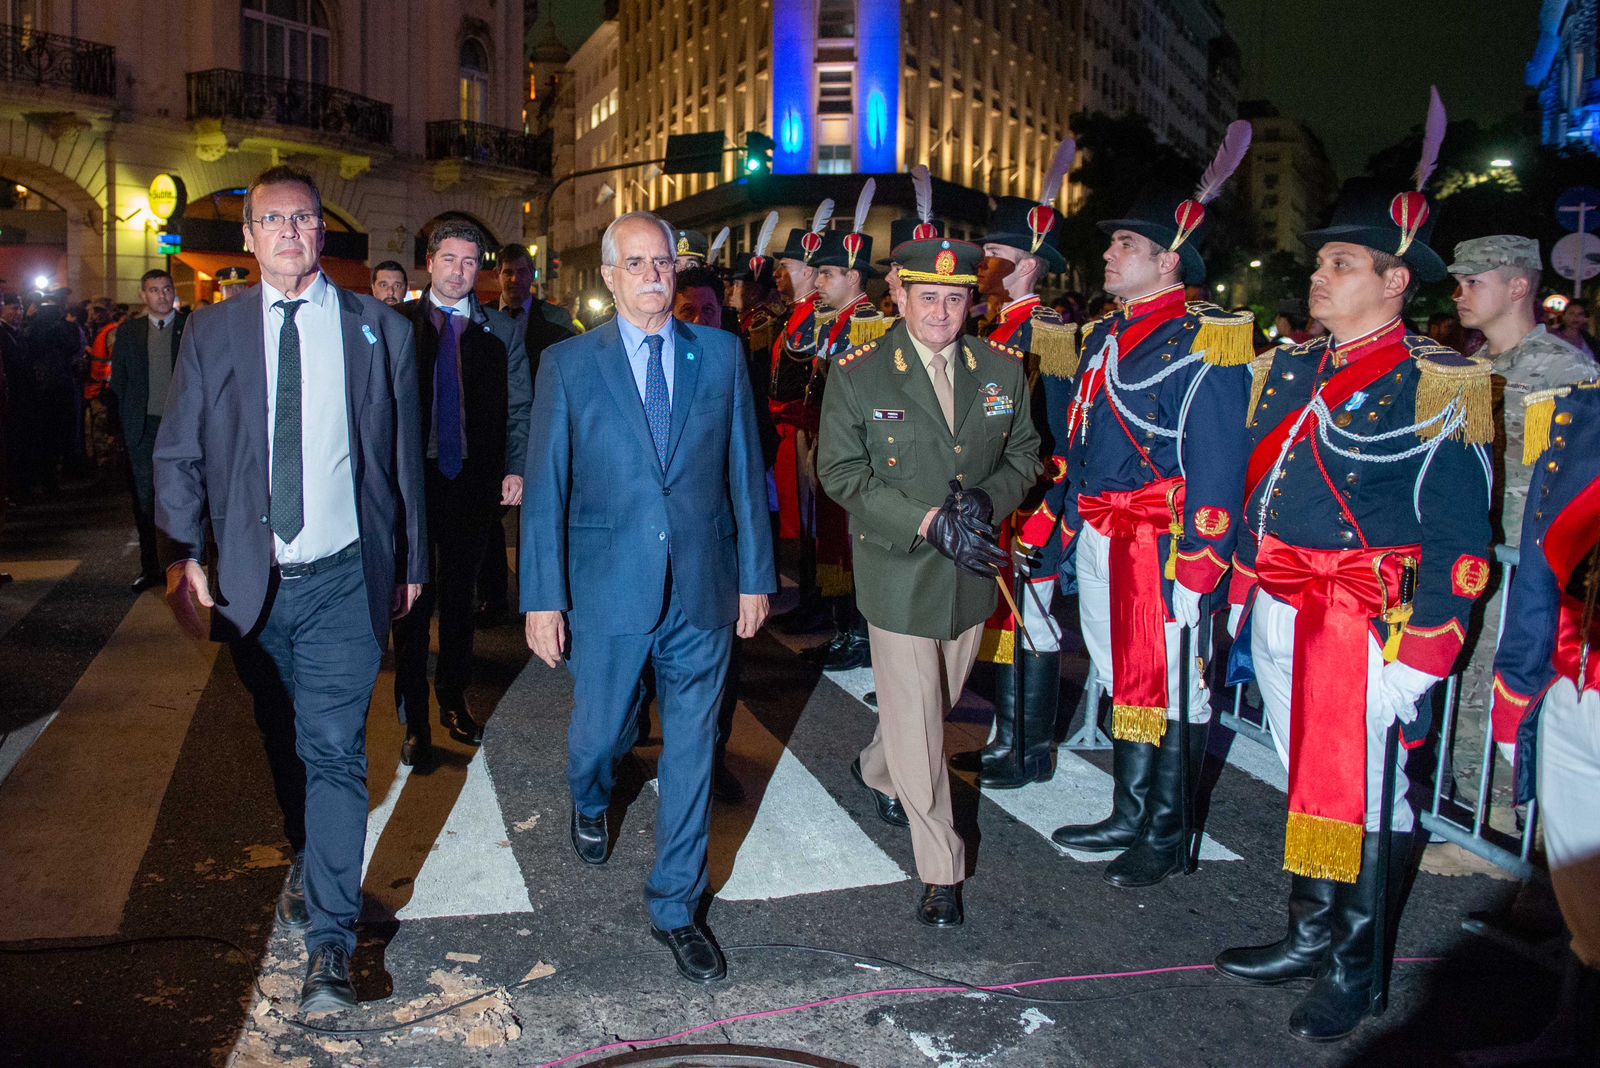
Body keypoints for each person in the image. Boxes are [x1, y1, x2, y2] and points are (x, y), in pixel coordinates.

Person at [1216, 171, 1493, 1042]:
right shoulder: (1299, 366)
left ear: (1396, 281)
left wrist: (1422, 658)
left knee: (1372, 797)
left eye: (1342, 263)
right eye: (1323, 261)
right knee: (1309, 774)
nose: (1320, 276)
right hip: (1284, 602)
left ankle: (1356, 968)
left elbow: (1461, 543)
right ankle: (1308, 931)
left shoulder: (1441, 384)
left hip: (1369, 624)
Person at [154, 164, 425, 1015]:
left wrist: (413, 563)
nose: (289, 234)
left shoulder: (380, 329)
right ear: (248, 236)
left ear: (321, 231)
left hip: (346, 574)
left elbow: (400, 461)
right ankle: (310, 851)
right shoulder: (214, 331)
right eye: (272, 221)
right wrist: (182, 552)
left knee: (338, 751)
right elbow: (179, 452)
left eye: (304, 220)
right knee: (284, 737)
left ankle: (332, 946)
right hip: (252, 580)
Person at [521, 210, 774, 985]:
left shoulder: (723, 355)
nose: (654, 277)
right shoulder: (568, 365)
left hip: (701, 585)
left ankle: (677, 907)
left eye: (663, 262)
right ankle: (591, 797)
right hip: (606, 589)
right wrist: (542, 598)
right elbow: (546, 492)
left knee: (695, 750)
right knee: (599, 735)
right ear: (609, 276)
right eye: (636, 264)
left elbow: (743, 471)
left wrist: (756, 575)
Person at [817, 235, 1042, 926]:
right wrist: (923, 521)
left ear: (973, 300)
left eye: (955, 297)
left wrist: (988, 501)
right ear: (899, 296)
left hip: (970, 571)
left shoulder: (1003, 368)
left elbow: (1027, 455)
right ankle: (941, 869)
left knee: (929, 707)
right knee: (922, 722)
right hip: (897, 570)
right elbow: (840, 473)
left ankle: (877, 766)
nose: (942, 311)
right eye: (928, 297)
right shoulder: (859, 373)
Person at [1050, 152, 1257, 888]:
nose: (1108, 252)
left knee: (1175, 683)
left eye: (1126, 245)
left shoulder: (1209, 337)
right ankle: (1131, 807)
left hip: (1164, 544)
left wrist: (1203, 562)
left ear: (1169, 261)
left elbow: (1219, 463)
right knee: (1118, 670)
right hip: (1105, 528)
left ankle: (1169, 831)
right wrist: (1067, 521)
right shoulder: (1109, 332)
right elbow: (1083, 438)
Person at [1486, 380, 1600, 1064]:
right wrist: (1522, 684)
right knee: (1582, 889)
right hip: (1577, 679)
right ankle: (1573, 1036)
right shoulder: (1581, 414)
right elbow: (1540, 565)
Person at [1448, 235, 1596, 766]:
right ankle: (1468, 814)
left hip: (1524, 569)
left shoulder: (1567, 373)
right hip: (1473, 559)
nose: (1458, 294)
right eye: (1458, 282)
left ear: (1517, 287)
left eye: (1473, 282)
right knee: (1461, 693)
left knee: (1504, 694)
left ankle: (1498, 831)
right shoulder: (1470, 365)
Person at [961, 145, 1080, 791]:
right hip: (996, 502)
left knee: (1030, 620)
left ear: (1028, 265)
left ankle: (1031, 748)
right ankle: (1010, 738)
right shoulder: (995, 331)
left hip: (1030, 509)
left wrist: (1044, 517)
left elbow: (1062, 441)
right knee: (1006, 621)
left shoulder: (1049, 333)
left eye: (995, 257)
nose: (982, 267)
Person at [391, 222, 530, 768]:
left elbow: (520, 407)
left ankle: (452, 701)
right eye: (449, 259)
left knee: (459, 601)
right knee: (411, 600)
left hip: (472, 484)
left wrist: (515, 468)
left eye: (469, 262)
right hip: (412, 483)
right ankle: (415, 720)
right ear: (430, 262)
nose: (458, 271)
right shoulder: (398, 324)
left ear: (482, 270)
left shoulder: (501, 334)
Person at [808, 181, 890, 672]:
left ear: (854, 278)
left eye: (827, 273)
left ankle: (858, 635)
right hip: (829, 446)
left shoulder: (868, 323)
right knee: (834, 541)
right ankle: (844, 629)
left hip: (854, 455)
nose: (817, 281)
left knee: (855, 545)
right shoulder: (835, 321)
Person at [477, 242, 574, 622]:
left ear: (532, 275)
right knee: (491, 517)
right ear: (498, 276)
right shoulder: (482, 320)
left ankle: (545, 593)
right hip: (501, 430)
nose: (514, 279)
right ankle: (493, 595)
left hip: (548, 427)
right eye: (507, 272)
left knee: (543, 514)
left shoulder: (557, 321)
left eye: (521, 271)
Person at [766, 202, 832, 633]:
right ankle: (811, 596)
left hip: (810, 430)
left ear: (808, 271)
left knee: (817, 524)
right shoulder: (798, 314)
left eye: (787, 266)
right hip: (793, 429)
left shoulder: (817, 316)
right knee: (806, 525)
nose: (779, 274)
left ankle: (820, 601)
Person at [108, 270, 187, 591]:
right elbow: (119, 384)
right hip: (143, 428)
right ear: (144, 295)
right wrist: (121, 428)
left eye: (166, 289)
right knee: (145, 500)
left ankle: (184, 566)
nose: (162, 296)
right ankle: (150, 567)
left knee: (185, 497)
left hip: (182, 428)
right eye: (154, 290)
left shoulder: (190, 327)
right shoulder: (129, 334)